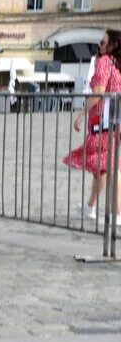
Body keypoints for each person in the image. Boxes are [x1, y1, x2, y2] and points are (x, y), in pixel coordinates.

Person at [63, 30, 121, 221]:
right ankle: (91, 206)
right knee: (103, 166)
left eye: (103, 43)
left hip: (104, 122)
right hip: (114, 121)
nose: (100, 46)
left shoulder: (106, 62)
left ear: (114, 44)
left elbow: (97, 92)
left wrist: (81, 114)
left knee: (110, 166)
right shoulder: (118, 65)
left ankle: (117, 214)